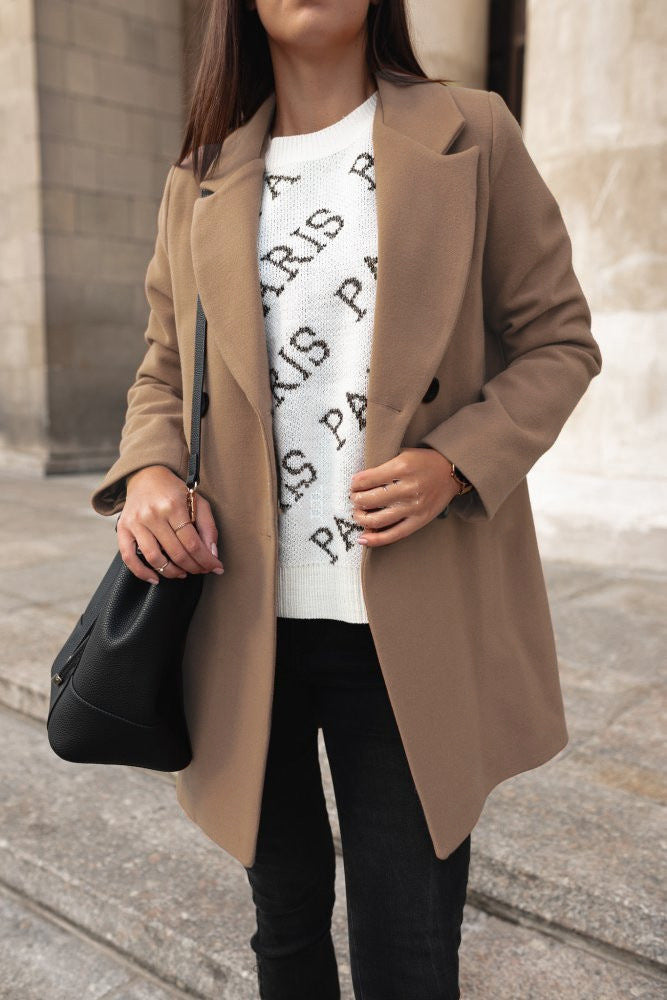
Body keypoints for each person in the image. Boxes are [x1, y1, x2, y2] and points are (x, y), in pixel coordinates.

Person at [90, 2, 603, 997]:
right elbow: (163, 363)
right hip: (241, 624)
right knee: (283, 927)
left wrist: (456, 459)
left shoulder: (471, 132)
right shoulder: (199, 172)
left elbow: (559, 342)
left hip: (404, 625)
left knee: (407, 950)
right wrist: (150, 469)